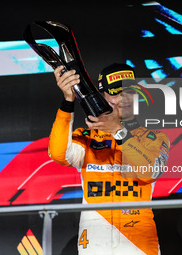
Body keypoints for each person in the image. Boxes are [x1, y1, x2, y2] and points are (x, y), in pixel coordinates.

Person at [48, 63, 170, 255]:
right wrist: (68, 100)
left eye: (130, 92)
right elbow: (58, 153)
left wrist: (118, 131)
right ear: (102, 96)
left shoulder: (153, 137)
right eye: (115, 92)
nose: (124, 99)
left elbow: (149, 173)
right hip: (94, 239)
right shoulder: (87, 137)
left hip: (138, 242)